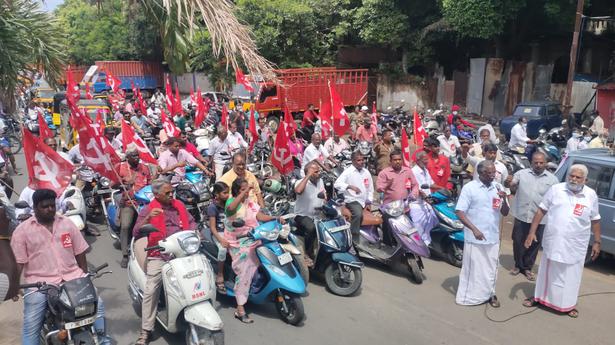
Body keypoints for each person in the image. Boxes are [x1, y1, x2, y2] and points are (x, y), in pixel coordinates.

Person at [11, 189, 110, 344]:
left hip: (73, 278)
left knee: (99, 307)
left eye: (52, 205)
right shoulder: (22, 232)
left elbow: (80, 253)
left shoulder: (67, 224)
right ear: (35, 207)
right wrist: (14, 285)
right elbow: (18, 262)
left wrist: (85, 279)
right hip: (40, 285)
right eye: (45, 206)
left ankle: (103, 341)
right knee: (31, 326)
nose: (50, 209)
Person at [522, 164, 601, 318]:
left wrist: (597, 242)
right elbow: (541, 210)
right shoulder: (556, 189)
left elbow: (596, 219)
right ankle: (539, 298)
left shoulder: (591, 195)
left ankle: (568, 305)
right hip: (554, 240)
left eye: (578, 177)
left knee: (571, 276)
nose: (574, 179)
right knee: (546, 271)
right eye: (571, 175)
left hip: (575, 244)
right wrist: (532, 232)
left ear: (586, 180)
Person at [132, 179, 196, 344]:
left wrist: (196, 232)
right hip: (159, 253)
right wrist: (147, 219)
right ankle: (146, 329)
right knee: (152, 288)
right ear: (156, 195)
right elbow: (136, 232)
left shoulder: (179, 206)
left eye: (171, 192)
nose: (171, 195)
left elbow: (192, 221)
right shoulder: (148, 209)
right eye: (167, 193)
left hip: (182, 250)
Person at [225, 178, 284, 323]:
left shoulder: (250, 203)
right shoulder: (231, 201)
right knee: (247, 263)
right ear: (237, 190)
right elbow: (231, 209)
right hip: (237, 239)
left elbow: (259, 216)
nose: (247, 191)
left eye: (248, 188)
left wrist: (275, 218)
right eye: (243, 189)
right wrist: (245, 191)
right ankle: (240, 308)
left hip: (254, 234)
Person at [455, 161, 509, 308]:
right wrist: (474, 229)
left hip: (492, 236)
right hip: (475, 238)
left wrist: (504, 198)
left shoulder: (498, 187)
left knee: (491, 268)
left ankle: (490, 294)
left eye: (494, 172)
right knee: (474, 269)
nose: (493, 175)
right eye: (489, 173)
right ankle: (470, 297)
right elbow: (459, 212)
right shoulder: (470, 188)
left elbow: (505, 212)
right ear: (480, 173)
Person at [504, 152, 558, 280]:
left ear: (546, 163)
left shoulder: (553, 180)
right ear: (531, 162)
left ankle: (527, 268)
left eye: (541, 163)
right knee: (518, 241)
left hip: (540, 218)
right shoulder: (521, 174)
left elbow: (555, 199)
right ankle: (518, 265)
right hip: (522, 214)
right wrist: (508, 182)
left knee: (534, 244)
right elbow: (511, 185)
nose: (538, 165)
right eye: (536, 162)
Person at [116, 147, 156, 268]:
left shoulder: (144, 168)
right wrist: (124, 183)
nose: (137, 158)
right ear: (127, 157)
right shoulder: (121, 167)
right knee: (126, 226)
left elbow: (150, 184)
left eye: (137, 155)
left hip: (144, 203)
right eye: (133, 156)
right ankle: (124, 255)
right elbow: (113, 183)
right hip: (129, 202)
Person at [376, 149, 422, 245]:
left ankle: (408, 249)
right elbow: (379, 189)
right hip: (390, 208)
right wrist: (387, 185)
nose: (397, 162)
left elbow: (415, 185)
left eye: (399, 159)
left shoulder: (407, 171)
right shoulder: (384, 173)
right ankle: (388, 248)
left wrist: (414, 194)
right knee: (388, 231)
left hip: (404, 207)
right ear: (391, 161)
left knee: (407, 230)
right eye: (395, 160)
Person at [334, 151, 373, 242]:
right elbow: (337, 184)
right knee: (358, 214)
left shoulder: (366, 172)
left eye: (363, 159)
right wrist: (349, 186)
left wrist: (369, 201)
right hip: (353, 200)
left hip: (364, 201)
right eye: (359, 160)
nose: (362, 162)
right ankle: (354, 238)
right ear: (353, 161)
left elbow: (370, 188)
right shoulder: (348, 172)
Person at [294, 162, 325, 264]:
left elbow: (323, 194)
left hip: (317, 215)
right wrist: (307, 176)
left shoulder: (320, 181)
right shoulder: (300, 182)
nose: (318, 173)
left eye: (318, 170)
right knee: (312, 228)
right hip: (302, 215)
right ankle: (306, 253)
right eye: (315, 171)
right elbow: (298, 190)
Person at [206, 182, 230, 293]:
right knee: (223, 249)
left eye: (228, 192)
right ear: (217, 194)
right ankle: (220, 274)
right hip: (219, 232)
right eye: (224, 193)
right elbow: (212, 228)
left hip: (230, 231)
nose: (227, 195)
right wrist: (221, 240)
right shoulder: (212, 207)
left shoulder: (229, 204)